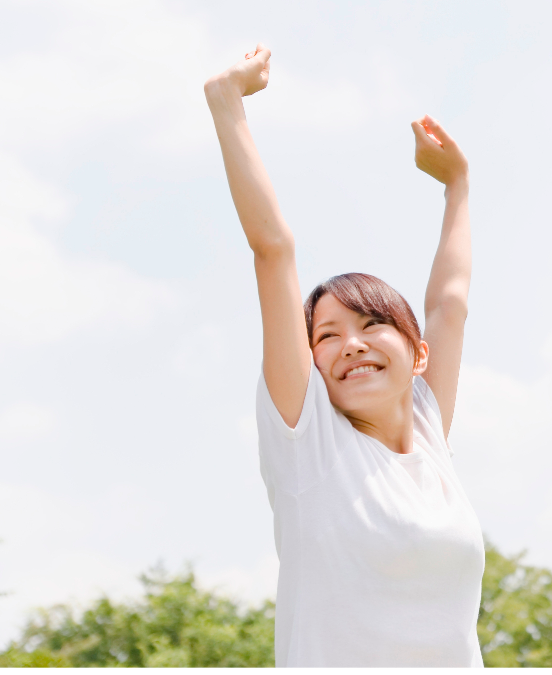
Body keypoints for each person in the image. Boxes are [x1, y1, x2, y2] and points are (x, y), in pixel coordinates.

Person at [204, 44, 483, 668]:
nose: (349, 343)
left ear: (417, 355)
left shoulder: (430, 435)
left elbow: (449, 304)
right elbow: (273, 250)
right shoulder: (309, 440)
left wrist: (458, 186)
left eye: (372, 324)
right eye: (325, 335)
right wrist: (227, 103)